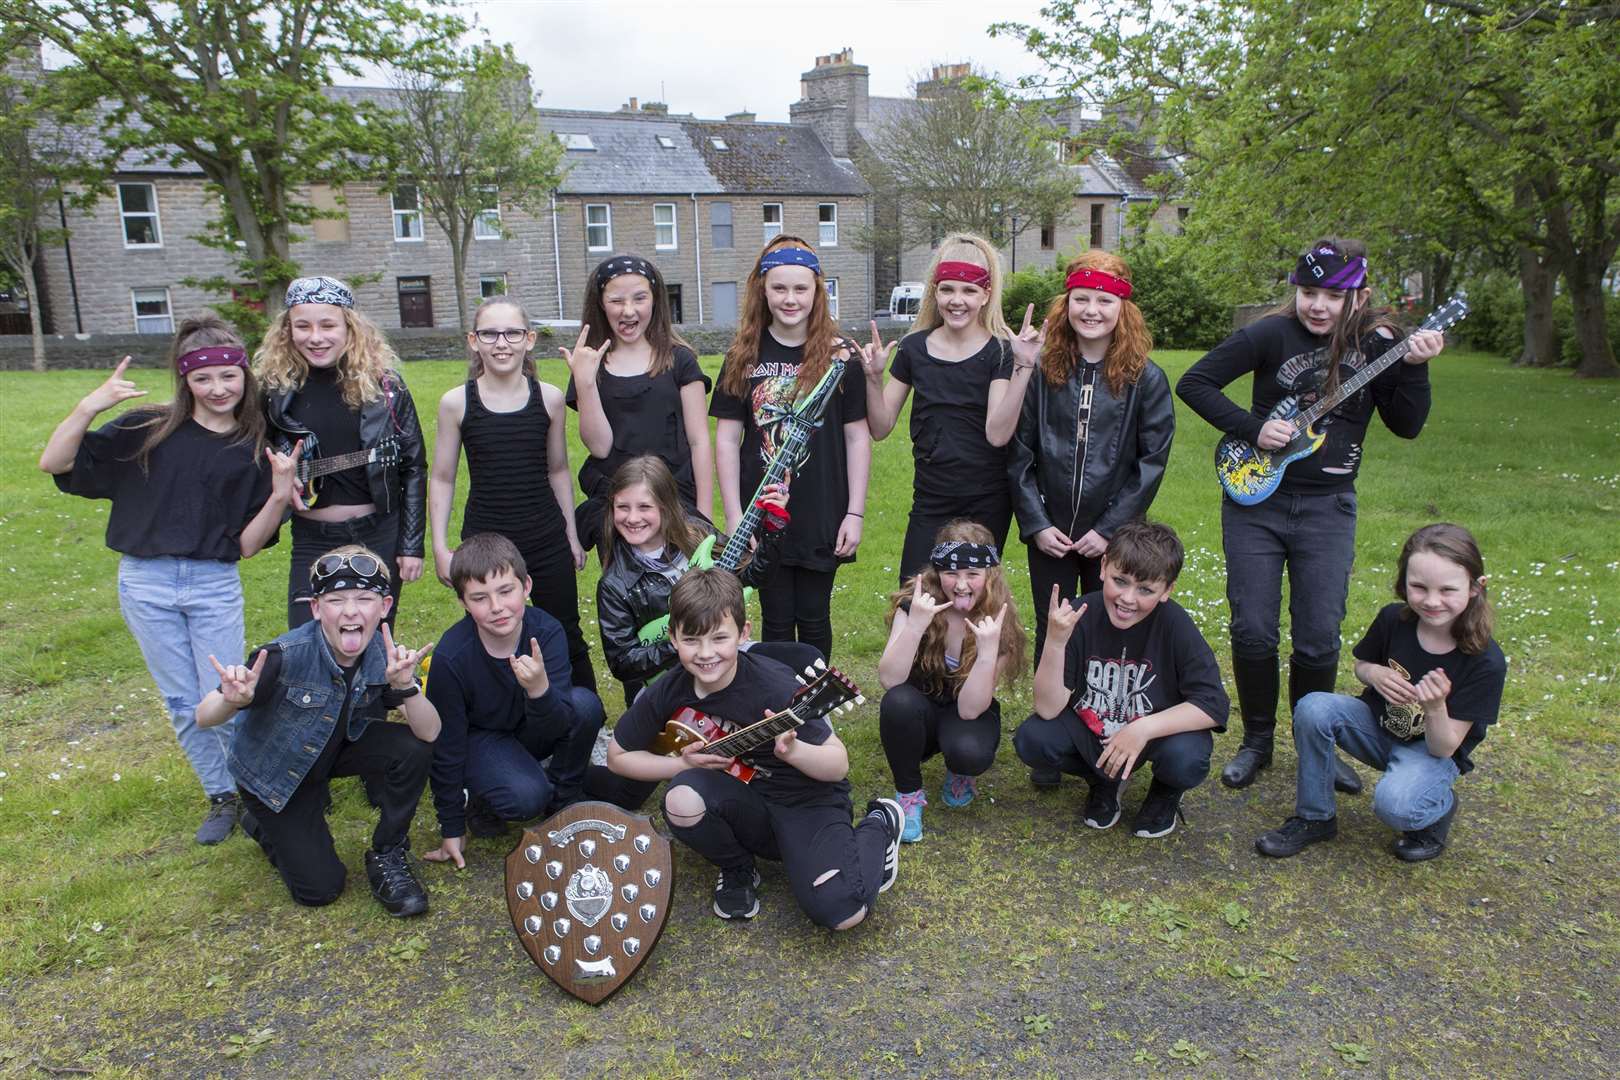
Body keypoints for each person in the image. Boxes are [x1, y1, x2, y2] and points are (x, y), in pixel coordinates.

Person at [1176, 239, 1446, 794]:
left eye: (1333, 295)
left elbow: (1407, 425)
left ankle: (1313, 746)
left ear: (1360, 296)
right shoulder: (1270, 334)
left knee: (1319, 637)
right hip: (1258, 501)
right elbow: (1194, 382)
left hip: (1329, 507)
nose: (1318, 305)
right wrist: (1251, 429)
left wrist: (1415, 370)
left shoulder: (1380, 345)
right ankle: (1256, 742)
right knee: (1252, 629)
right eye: (1308, 292)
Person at [39, 315, 296, 844]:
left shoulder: (254, 444)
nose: (218, 388)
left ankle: (252, 790)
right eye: (203, 379)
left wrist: (278, 494)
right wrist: (91, 405)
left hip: (212, 583)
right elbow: (54, 462)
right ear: (185, 380)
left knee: (225, 694)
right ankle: (220, 796)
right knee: (183, 702)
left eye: (229, 376)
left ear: (245, 375)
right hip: (146, 583)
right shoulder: (145, 429)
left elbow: (247, 546)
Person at [605, 568, 903, 927]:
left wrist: (794, 752)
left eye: (719, 639)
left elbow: (837, 765)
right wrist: (682, 766)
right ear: (672, 638)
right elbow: (617, 757)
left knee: (842, 912)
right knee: (681, 800)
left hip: (805, 800)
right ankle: (738, 867)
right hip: (744, 798)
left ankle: (879, 825)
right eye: (692, 640)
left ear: (743, 634)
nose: (705, 654)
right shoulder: (670, 688)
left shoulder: (775, 687)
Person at [196, 545, 440, 915]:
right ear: (315, 608)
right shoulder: (283, 656)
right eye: (336, 600)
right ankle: (261, 824)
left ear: (385, 606)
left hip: (332, 750)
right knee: (321, 889)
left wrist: (406, 686)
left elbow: (430, 732)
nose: (351, 610)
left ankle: (388, 854)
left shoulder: (382, 654)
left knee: (412, 749)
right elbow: (203, 716)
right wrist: (232, 699)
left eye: (364, 598)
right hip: (277, 779)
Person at [1256, 523, 1505, 862]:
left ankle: (1437, 807)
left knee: (1397, 808)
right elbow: (1361, 665)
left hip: (1430, 753)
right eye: (1418, 587)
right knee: (1314, 707)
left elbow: (1444, 747)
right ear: (1403, 583)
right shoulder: (1394, 619)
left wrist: (1434, 706)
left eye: (1448, 589)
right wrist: (1375, 674)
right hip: (1379, 729)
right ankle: (1314, 817)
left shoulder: (1485, 660)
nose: (1431, 601)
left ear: (1476, 587)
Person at [1007, 250, 1175, 679]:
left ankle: (1109, 706)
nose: (1092, 311)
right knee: (1055, 623)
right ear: (1066, 305)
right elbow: (1019, 452)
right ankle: (1054, 714)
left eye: (1104, 301)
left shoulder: (1146, 378)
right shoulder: (1044, 372)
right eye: (1082, 299)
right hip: (1052, 531)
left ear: (1123, 309)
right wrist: (1036, 523)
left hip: (1112, 535)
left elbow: (1151, 462)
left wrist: (1109, 530)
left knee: (1114, 621)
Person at [1014, 521, 1229, 838]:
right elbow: (1047, 708)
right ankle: (1105, 780)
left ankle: (1165, 792)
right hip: (1095, 729)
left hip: (1155, 734)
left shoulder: (1175, 625)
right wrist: (1056, 642)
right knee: (1034, 738)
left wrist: (1142, 728)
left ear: (1167, 589)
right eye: (1120, 581)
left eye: (1145, 589)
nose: (1128, 598)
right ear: (1103, 567)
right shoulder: (1079, 615)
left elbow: (1212, 705)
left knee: (1187, 758)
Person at [710, 235, 870, 661]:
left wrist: (854, 512)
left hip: (822, 507)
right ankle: (779, 705)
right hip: (761, 513)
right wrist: (734, 517)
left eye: (801, 288)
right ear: (763, 289)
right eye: (779, 288)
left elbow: (857, 436)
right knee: (775, 615)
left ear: (817, 291)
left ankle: (815, 707)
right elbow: (727, 440)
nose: (790, 298)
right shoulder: (743, 355)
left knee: (816, 614)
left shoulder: (841, 356)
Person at [429, 294, 594, 690]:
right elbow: (443, 477)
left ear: (529, 339)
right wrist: (439, 547)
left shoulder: (550, 398)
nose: (501, 343)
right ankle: (502, 717)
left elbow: (557, 469)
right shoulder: (456, 403)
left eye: (512, 333)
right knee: (491, 632)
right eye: (490, 334)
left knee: (566, 628)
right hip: (486, 539)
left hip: (544, 535)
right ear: (473, 341)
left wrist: (571, 534)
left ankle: (585, 718)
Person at [420, 534, 606, 869]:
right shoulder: (452, 656)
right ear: (463, 602)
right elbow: (445, 745)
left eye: (506, 591)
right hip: (482, 738)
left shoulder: (546, 631)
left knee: (586, 705)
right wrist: (451, 826)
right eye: (480, 597)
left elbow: (560, 724)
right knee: (525, 798)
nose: (497, 607)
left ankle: (563, 800)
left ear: (526, 586)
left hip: (533, 725)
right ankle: (480, 799)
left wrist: (539, 689)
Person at [256, 276, 427, 628]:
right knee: (306, 638)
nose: (315, 337)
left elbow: (413, 466)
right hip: (312, 537)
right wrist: (281, 486)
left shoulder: (386, 387)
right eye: (302, 326)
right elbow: (256, 456)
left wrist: (410, 545)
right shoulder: (275, 391)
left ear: (350, 327)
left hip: (377, 531)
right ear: (287, 330)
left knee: (372, 639)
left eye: (327, 325)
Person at [859, 234, 1024, 579]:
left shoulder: (1001, 352)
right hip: (932, 496)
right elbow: (881, 426)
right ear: (935, 292)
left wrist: (1024, 367)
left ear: (986, 295)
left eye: (969, 291)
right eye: (947, 289)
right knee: (915, 593)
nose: (957, 300)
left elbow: (997, 434)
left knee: (973, 599)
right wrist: (874, 379)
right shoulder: (914, 349)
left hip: (987, 498)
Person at [595, 455, 811, 706]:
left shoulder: (697, 534)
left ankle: (808, 738)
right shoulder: (615, 584)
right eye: (623, 507)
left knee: (805, 657)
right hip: (673, 675)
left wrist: (773, 527)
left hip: (723, 655)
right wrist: (686, 642)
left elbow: (754, 576)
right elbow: (623, 663)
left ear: (666, 506)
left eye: (644, 507)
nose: (632, 518)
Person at [876, 521, 1027, 842]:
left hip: (966, 709)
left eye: (972, 574)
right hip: (919, 707)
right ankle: (908, 795)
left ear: (990, 575)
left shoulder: (999, 619)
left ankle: (959, 772)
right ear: (936, 572)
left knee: (969, 752)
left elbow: (971, 710)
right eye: (951, 573)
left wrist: (987, 653)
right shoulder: (915, 605)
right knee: (897, 702)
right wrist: (915, 625)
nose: (960, 585)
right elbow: (890, 679)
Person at [563, 254, 715, 553]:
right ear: (601, 304)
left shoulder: (680, 360)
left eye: (639, 298)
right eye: (617, 300)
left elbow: (699, 442)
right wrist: (585, 382)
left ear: (655, 301)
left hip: (675, 499)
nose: (628, 310)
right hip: (619, 506)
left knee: (682, 594)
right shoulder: (590, 364)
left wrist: (704, 516)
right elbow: (599, 447)